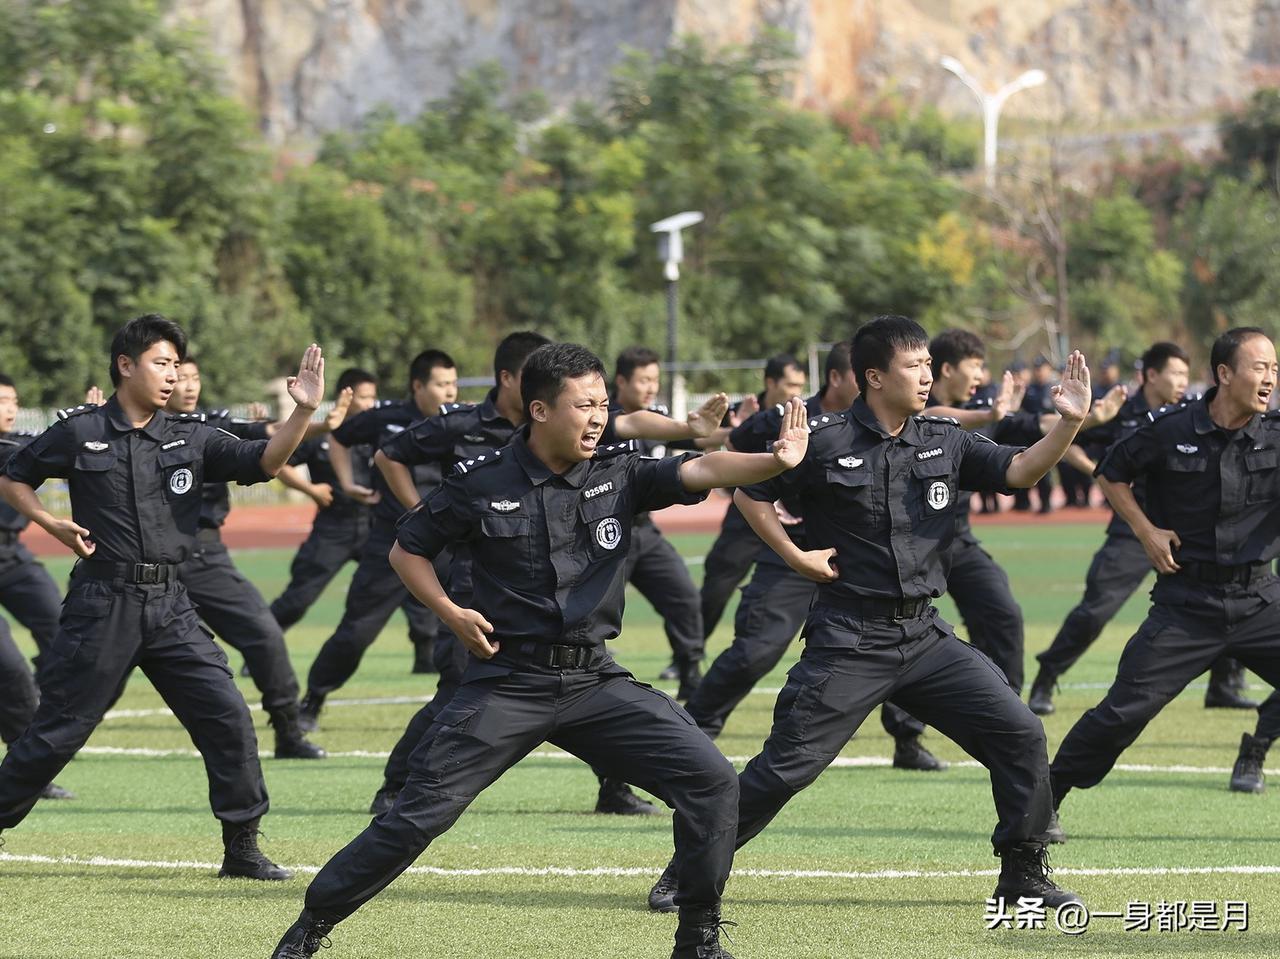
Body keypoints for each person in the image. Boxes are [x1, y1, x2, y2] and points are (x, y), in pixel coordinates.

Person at [269, 343, 811, 959]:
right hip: (508, 681)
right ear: (540, 410)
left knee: (713, 782)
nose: (599, 417)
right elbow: (407, 550)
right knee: (418, 816)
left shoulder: (619, 472)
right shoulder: (481, 481)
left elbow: (704, 469)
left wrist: (774, 460)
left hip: (593, 681)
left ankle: (698, 941)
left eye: (603, 404)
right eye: (585, 405)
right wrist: (450, 612)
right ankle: (309, 928)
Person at [649, 316, 1091, 914]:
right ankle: (688, 869)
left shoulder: (944, 437)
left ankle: (1023, 874)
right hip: (850, 636)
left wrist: (1069, 423)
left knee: (1019, 732)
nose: (927, 376)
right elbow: (751, 493)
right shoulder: (825, 439)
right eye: (914, 366)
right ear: (875, 377)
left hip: (924, 635)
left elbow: (1020, 471)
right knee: (786, 768)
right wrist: (794, 555)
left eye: (929, 365)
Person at [0, 314, 324, 879]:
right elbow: (14, 476)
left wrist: (303, 411)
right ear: (126, 366)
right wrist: (49, 522)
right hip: (104, 603)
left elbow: (266, 462)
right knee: (57, 732)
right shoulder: (80, 430)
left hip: (172, 602)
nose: (173, 374)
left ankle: (242, 848)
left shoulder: (191, 435)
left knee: (227, 717)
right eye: (162, 363)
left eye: (177, 364)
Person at [365, 335, 728, 818]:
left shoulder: (575, 420)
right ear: (511, 382)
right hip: (485, 582)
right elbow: (391, 460)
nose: (593, 413)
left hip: (566, 564)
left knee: (591, 684)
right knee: (457, 691)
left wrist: (686, 427)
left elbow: (630, 421)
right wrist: (421, 514)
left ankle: (614, 788)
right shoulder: (466, 425)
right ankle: (399, 787)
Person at [1051, 328, 1280, 831]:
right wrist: (1145, 530)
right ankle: (1044, 798)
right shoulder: (1170, 428)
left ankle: (1257, 747)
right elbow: (1111, 472)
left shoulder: (1276, 433)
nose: (1270, 379)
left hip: (1260, 598)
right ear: (1224, 374)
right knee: (1121, 714)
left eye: (1275, 369)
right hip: (1187, 603)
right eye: (1260, 368)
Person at [685, 342, 946, 771]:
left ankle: (907, 741)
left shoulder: (894, 427)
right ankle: (694, 731)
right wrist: (772, 479)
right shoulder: (791, 416)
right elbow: (736, 450)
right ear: (843, 378)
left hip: (857, 560)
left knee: (902, 638)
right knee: (757, 650)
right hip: (793, 553)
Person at [1028, 342, 1257, 716]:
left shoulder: (1194, 413)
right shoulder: (1120, 410)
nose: (1183, 381)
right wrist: (1098, 471)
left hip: (1185, 533)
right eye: (1176, 373)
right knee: (1095, 611)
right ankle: (1046, 678)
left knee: (1225, 596)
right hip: (1132, 529)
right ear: (1152, 375)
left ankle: (1224, 686)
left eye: (1186, 374)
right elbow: (1067, 441)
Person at [167, 358, 329, 760]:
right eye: (178, 376)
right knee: (103, 665)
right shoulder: (127, 430)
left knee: (264, 633)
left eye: (194, 376)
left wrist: (312, 414)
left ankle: (288, 732)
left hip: (203, 555)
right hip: (140, 559)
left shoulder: (211, 424)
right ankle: (38, 746)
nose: (187, 385)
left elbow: (271, 434)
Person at [297, 348, 466, 730]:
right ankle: (312, 699)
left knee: (467, 624)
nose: (450, 391)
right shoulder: (386, 417)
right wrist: (346, 482)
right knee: (357, 631)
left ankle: (462, 709)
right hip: (393, 543)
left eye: (453, 383)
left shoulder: (461, 421)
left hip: (449, 544)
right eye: (442, 384)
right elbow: (339, 437)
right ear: (417, 386)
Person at [606, 346, 708, 700]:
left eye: (655, 380)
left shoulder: (658, 418)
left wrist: (733, 428)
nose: (651, 387)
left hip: (644, 531)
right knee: (593, 613)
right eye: (644, 380)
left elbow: (697, 437)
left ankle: (690, 672)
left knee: (684, 597)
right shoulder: (601, 419)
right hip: (605, 533)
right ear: (621, 381)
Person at [695, 353, 807, 652]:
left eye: (800, 385)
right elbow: (710, 454)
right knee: (717, 586)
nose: (796, 392)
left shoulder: (805, 415)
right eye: (790, 384)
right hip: (746, 513)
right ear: (770, 382)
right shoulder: (739, 413)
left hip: (791, 521)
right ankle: (688, 655)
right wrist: (735, 430)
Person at [268, 369, 381, 638]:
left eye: (373, 398)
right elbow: (278, 464)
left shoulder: (380, 432)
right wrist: (310, 490)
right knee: (298, 598)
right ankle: (262, 648)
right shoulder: (320, 433)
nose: (370, 404)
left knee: (407, 591)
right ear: (346, 396)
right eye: (364, 397)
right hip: (333, 527)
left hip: (376, 525)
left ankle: (429, 654)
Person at [0, 374, 65, 685]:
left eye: (14, 401)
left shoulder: (20, 444)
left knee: (60, 626)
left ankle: (45, 696)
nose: (11, 408)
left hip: (10, 556)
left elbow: (54, 444)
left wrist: (91, 425)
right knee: (8, 664)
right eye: (2, 401)